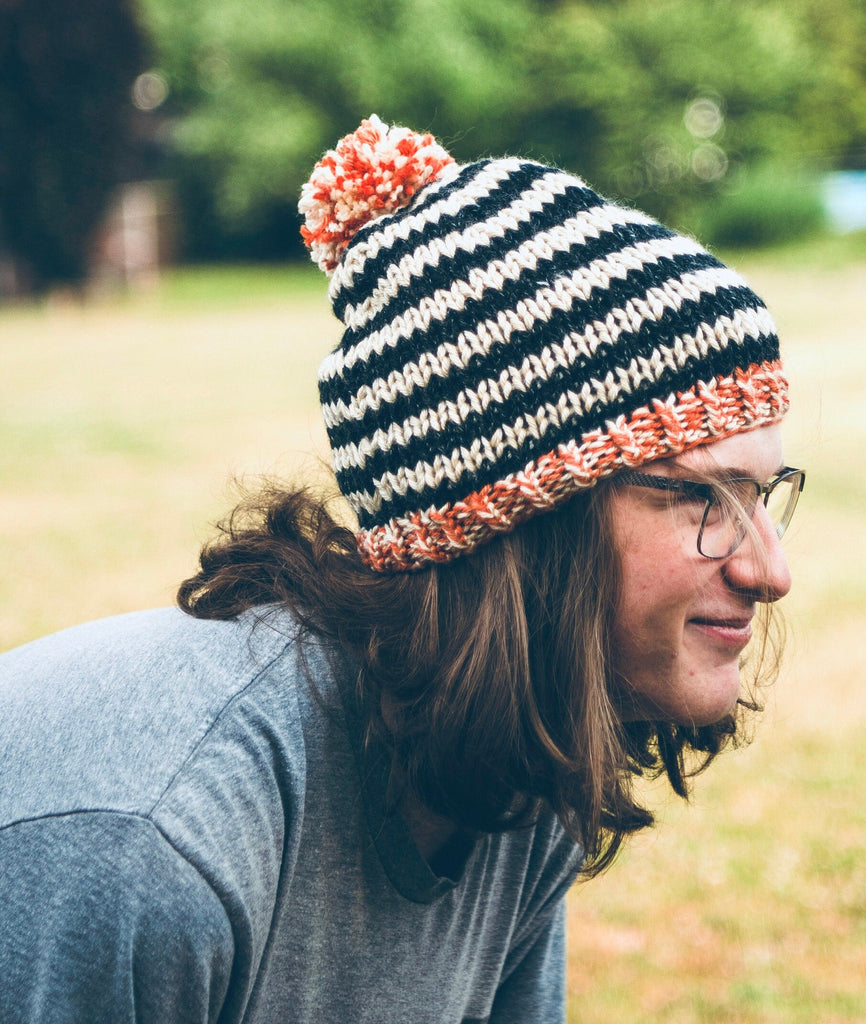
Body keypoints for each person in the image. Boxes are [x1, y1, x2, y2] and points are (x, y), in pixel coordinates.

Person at [0, 115, 804, 1023]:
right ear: (522, 518)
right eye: (704, 497)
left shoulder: (517, 757)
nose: (769, 570)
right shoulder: (157, 842)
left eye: (763, 495)